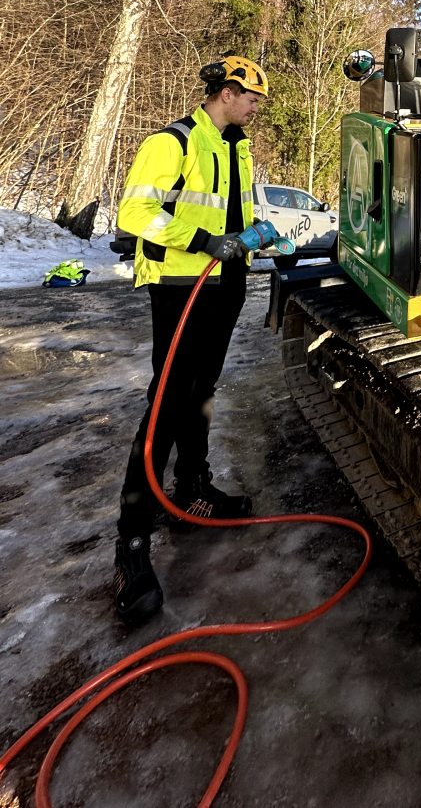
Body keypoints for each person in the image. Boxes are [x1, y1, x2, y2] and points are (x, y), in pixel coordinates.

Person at [111, 56, 268, 621]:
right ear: (227, 93)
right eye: (251, 98)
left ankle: (192, 489)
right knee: (167, 403)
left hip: (227, 286)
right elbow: (135, 212)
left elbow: (235, 212)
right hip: (181, 288)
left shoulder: (237, 147)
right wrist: (203, 240)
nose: (255, 108)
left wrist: (257, 239)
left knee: (201, 392)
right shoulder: (172, 143)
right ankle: (131, 543)